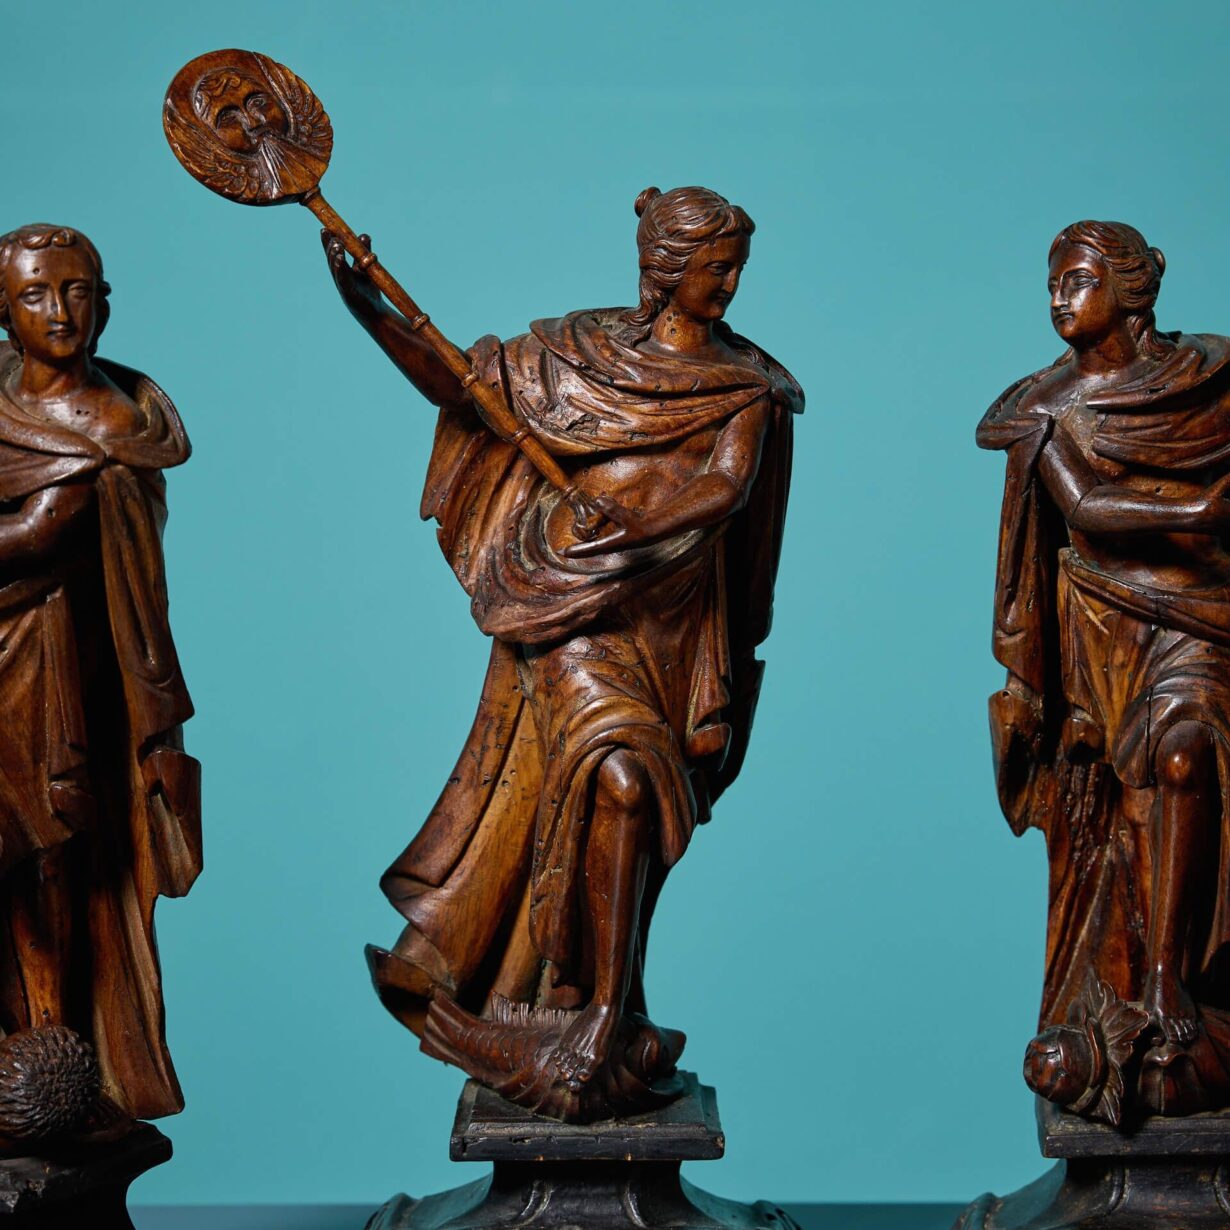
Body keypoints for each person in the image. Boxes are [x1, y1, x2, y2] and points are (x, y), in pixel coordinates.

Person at [325, 186, 802, 1119]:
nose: (731, 285)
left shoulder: (742, 385)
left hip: (669, 628)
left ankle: (596, 1010)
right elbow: (461, 388)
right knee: (617, 780)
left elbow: (727, 488)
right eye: (715, 267)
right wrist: (370, 312)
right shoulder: (574, 355)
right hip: (573, 612)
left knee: (632, 818)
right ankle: (600, 1015)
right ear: (666, 269)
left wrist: (637, 522)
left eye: (738, 268)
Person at [981, 221, 1230, 1114]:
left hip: (1204, 617)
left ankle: (1170, 979)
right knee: (1122, 812)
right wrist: (1195, 510)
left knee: (1187, 758)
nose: (1060, 298)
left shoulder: (1209, 379)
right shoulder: (1043, 408)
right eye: (1053, 283)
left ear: (1132, 291)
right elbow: (1084, 506)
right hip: (1106, 630)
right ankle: (1130, 997)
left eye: (1079, 281)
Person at [0, 224, 200, 1139]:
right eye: (36, 295)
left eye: (78, 292)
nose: (60, 312)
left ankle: (53, 1046)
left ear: (104, 304)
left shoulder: (113, 430)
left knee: (49, 855)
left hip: (49, 671)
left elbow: (37, 537)